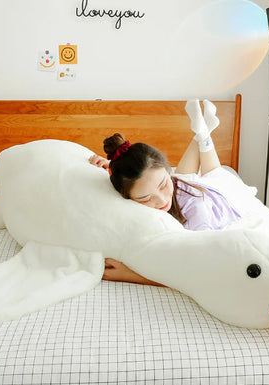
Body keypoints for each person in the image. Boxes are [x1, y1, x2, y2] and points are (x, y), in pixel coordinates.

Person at [89, 99, 241, 286]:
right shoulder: (155, 184)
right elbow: (144, 183)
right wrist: (110, 169)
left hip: (213, 196)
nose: (161, 201)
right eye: (145, 198)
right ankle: (203, 133)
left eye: (162, 185)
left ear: (166, 169)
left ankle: (204, 135)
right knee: (185, 177)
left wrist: (131, 275)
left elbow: (198, 271)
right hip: (182, 185)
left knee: (214, 174)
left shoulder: (197, 212)